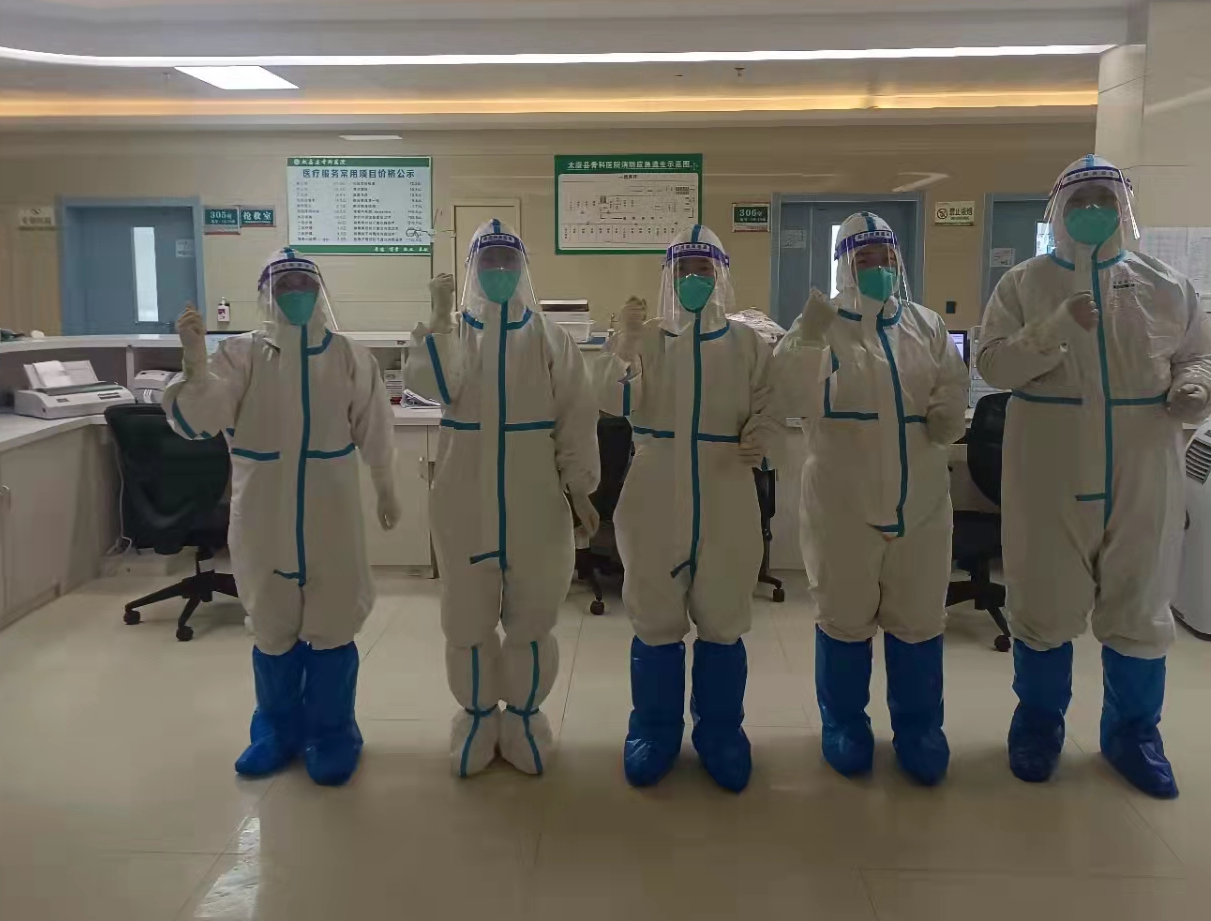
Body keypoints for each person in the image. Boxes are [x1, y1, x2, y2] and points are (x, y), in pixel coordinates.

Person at [977, 155, 1211, 799]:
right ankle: (1038, 725)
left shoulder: (1165, 285)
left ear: (1124, 208)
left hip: (1143, 455)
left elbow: (1200, 354)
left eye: (1104, 199)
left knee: (1140, 595)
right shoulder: (1024, 284)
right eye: (1080, 199)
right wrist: (1052, 329)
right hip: (1050, 459)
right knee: (1043, 594)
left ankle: (1134, 735)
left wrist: (1196, 387)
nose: (1092, 210)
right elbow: (994, 366)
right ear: (1059, 209)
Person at [593, 224, 823, 792]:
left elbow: (774, 403)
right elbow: (613, 401)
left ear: (720, 276)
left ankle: (721, 734)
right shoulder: (647, 339)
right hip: (654, 489)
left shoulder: (747, 344)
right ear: (669, 277)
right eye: (684, 270)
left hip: (726, 490)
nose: (694, 279)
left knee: (723, 619)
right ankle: (653, 732)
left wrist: (763, 432)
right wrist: (622, 347)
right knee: (655, 618)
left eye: (704, 270)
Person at [166, 248, 400, 787]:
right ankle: (274, 732)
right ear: (266, 294)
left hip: (330, 510)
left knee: (333, 620)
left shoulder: (347, 356)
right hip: (263, 513)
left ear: (319, 291)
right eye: (284, 283)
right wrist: (195, 364)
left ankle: (333, 735)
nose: (295, 292)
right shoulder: (241, 355)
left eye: (304, 282)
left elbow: (375, 429)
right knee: (271, 623)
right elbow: (201, 420)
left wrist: (387, 488)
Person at [775, 213, 970, 786]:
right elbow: (786, 395)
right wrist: (809, 339)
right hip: (843, 506)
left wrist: (948, 410)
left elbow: (951, 380)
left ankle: (919, 730)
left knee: (919, 619)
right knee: (844, 618)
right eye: (864, 260)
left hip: (922, 504)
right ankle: (844, 726)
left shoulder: (926, 324)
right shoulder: (820, 325)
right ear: (844, 265)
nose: (878, 269)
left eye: (886, 258)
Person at [405, 220, 600, 778]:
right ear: (472, 269)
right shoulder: (454, 334)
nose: (497, 271)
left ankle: (524, 719)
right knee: (466, 619)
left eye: (506, 261)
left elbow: (576, 417)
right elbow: (429, 385)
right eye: (486, 261)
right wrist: (439, 322)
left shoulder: (549, 339)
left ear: (522, 268)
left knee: (532, 617)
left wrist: (581, 489)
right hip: (463, 501)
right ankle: (475, 718)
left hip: (534, 500)